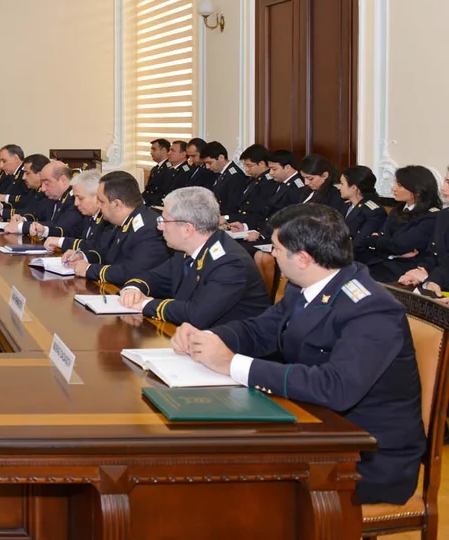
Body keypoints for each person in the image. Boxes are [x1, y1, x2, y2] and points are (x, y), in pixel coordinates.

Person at [176, 203, 424, 505]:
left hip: (365, 456)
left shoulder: (371, 309)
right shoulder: (305, 287)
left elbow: (335, 387)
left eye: (277, 249)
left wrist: (231, 364)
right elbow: (260, 331)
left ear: (304, 258)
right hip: (311, 424)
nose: (272, 255)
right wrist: (208, 338)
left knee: (230, 481)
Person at [117, 187, 269, 327]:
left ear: (187, 229)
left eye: (164, 221)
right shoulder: (186, 250)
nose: (159, 226)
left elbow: (196, 314)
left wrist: (145, 304)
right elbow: (155, 277)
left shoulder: (230, 263)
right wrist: (133, 288)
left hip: (230, 349)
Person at [65, 171, 170, 287]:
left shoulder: (148, 228)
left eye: (101, 202)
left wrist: (90, 270)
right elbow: (108, 254)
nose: (98, 206)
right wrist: (83, 256)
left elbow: (135, 272)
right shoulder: (123, 221)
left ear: (117, 204)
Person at [363, 164, 440, 282]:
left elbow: (398, 245)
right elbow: (377, 239)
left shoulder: (431, 216)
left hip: (402, 271)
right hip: (381, 263)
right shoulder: (398, 209)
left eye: (399, 185)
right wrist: (389, 250)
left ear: (417, 191)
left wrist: (380, 243)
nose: (393, 188)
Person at [40, 170, 112, 256]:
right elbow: (71, 232)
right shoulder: (88, 216)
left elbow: (97, 247)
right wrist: (44, 231)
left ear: (97, 197)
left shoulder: (108, 220)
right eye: (75, 198)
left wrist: (60, 242)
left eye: (80, 198)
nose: (76, 203)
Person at [404, 166, 449, 290]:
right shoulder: (444, 215)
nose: (443, 188)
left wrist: (430, 279)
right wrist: (420, 271)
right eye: (445, 180)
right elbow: (433, 253)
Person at [337, 165, 388, 258]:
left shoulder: (374, 212)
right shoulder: (345, 205)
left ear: (354, 188)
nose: (339, 187)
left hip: (359, 260)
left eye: (342, 184)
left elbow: (358, 244)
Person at [201, 142, 247, 216]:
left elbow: (233, 205)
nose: (207, 167)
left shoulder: (234, 176)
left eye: (210, 163)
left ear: (221, 158)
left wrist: (226, 218)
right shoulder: (222, 173)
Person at [142, 138, 172, 208]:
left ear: (163, 150)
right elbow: (148, 190)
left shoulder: (169, 168)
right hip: (150, 202)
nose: (151, 153)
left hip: (158, 205)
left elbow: (162, 192)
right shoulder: (155, 169)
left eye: (154, 149)